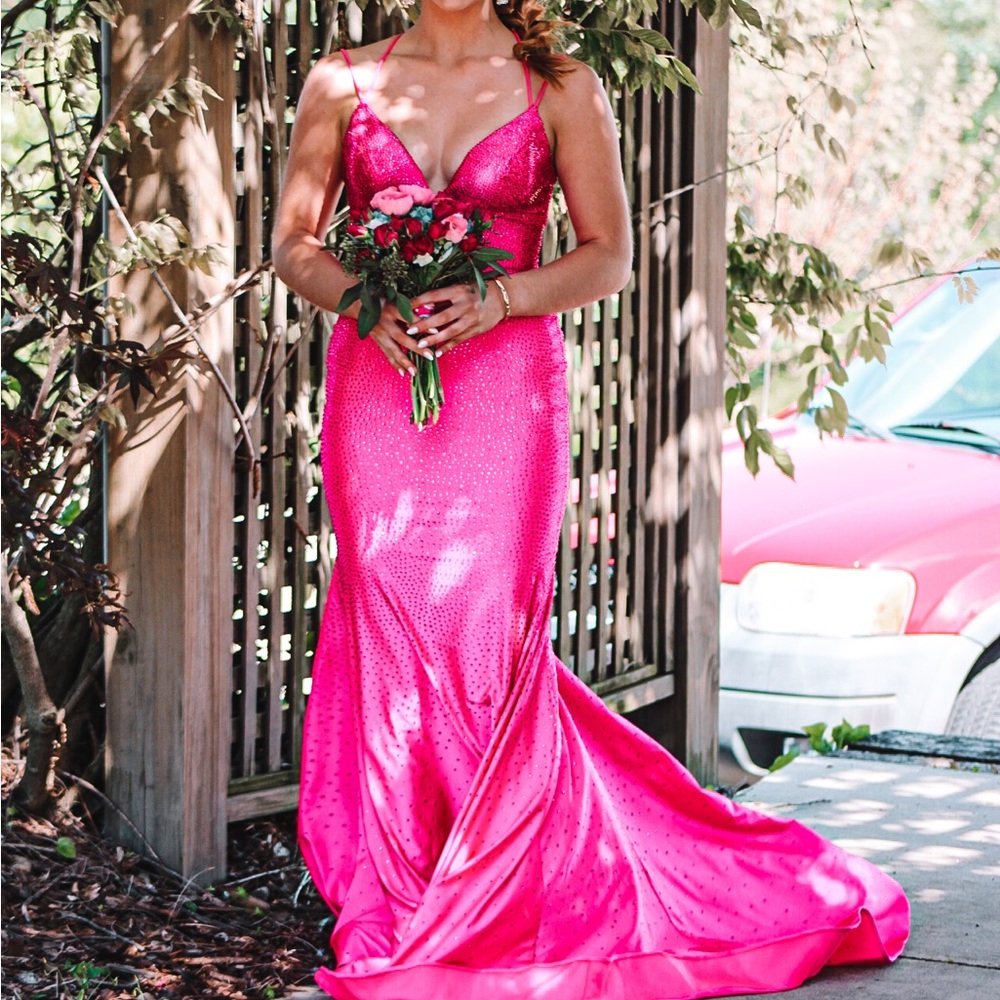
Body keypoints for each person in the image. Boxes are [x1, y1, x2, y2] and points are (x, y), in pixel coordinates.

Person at [271, 2, 910, 998]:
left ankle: (494, 887)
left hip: (507, 392)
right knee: (389, 613)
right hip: (377, 388)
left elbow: (606, 253)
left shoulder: (559, 81)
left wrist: (499, 297)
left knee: (482, 627)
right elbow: (294, 245)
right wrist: (364, 297)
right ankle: (401, 893)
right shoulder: (340, 82)